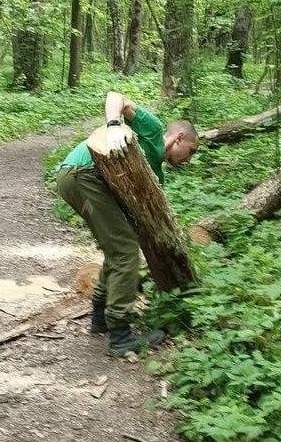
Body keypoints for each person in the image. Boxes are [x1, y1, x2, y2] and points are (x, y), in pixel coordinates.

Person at [55, 91, 199, 356]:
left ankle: (100, 316)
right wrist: (113, 127)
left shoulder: (155, 172)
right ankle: (120, 335)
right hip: (82, 175)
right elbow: (115, 97)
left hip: (81, 180)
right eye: (190, 151)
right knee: (125, 251)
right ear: (179, 138)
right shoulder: (153, 130)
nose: (188, 159)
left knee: (118, 248)